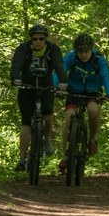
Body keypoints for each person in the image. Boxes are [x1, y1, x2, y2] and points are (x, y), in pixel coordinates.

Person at [9, 24, 68, 171]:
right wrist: (15, 78)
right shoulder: (23, 49)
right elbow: (17, 64)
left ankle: (46, 138)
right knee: (26, 123)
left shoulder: (52, 49)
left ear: (45, 39)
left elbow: (59, 65)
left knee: (47, 113)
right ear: (31, 39)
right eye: (34, 38)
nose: (37, 41)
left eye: (41, 38)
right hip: (27, 86)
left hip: (46, 86)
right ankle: (22, 159)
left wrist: (63, 82)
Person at [58, 33, 109, 172]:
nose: (83, 55)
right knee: (69, 116)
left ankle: (92, 139)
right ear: (76, 51)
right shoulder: (71, 57)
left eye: (86, 51)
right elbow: (60, 70)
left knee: (93, 111)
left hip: (93, 91)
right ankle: (65, 154)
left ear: (91, 49)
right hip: (74, 91)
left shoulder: (99, 60)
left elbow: (105, 76)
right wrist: (56, 86)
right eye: (80, 52)